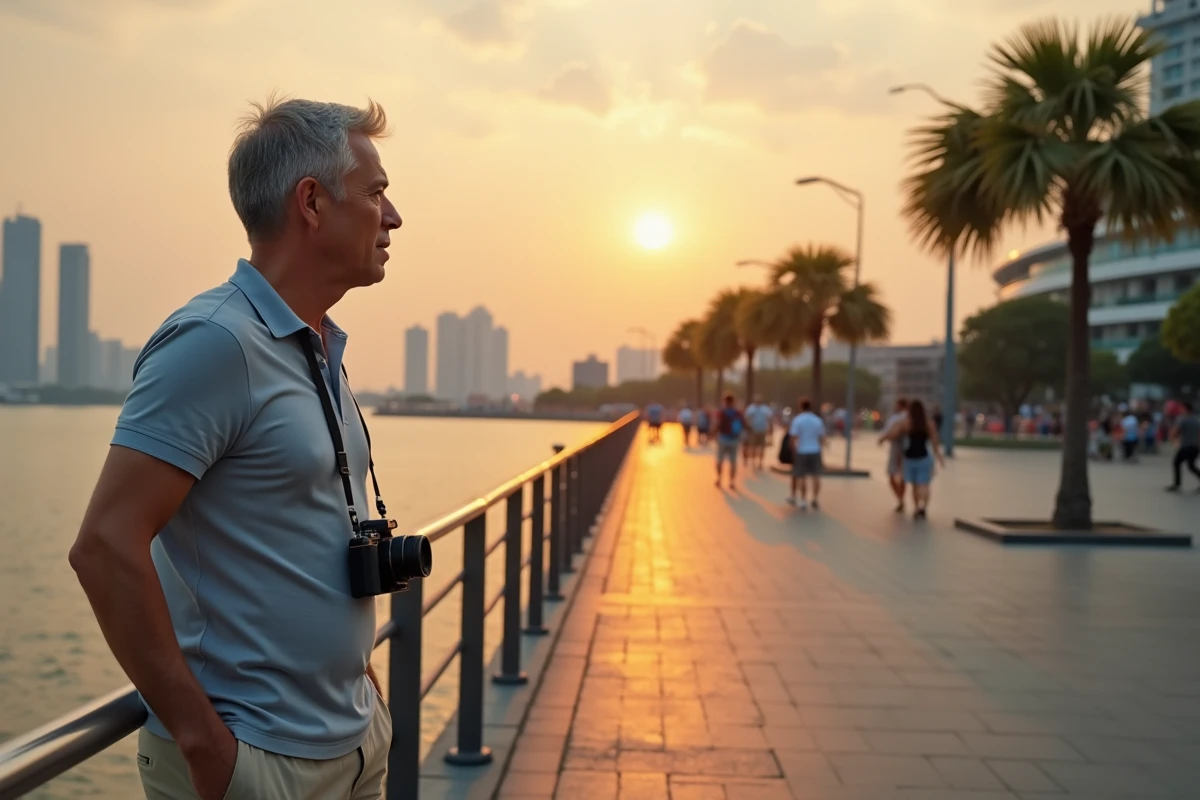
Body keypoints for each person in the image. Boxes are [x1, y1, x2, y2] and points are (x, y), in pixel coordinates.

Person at [68, 98, 401, 800]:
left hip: (354, 741)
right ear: (312, 202)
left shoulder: (315, 345)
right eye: (376, 193)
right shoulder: (214, 343)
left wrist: (363, 684)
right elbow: (104, 545)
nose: (393, 217)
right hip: (257, 759)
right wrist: (204, 743)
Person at [887, 399, 945, 520]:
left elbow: (893, 434)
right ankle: (923, 507)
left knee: (914, 485)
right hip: (924, 457)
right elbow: (935, 443)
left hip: (909, 458)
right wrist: (939, 457)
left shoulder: (906, 423)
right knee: (924, 484)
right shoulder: (929, 423)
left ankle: (917, 507)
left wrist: (885, 437)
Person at [787, 398, 825, 510]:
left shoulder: (798, 420)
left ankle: (803, 500)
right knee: (816, 476)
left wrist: (793, 448)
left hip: (802, 450)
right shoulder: (817, 420)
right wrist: (819, 448)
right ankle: (815, 499)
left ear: (801, 407)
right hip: (815, 450)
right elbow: (822, 437)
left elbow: (793, 437)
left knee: (802, 476)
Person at [878, 398, 909, 513]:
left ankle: (900, 500)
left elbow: (891, 432)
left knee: (893, 476)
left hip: (897, 449)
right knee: (902, 477)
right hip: (908, 450)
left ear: (901, 405)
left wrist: (883, 438)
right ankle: (901, 499)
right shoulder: (910, 417)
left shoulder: (898, 418)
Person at [1165, 401, 1200, 493]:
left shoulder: (1182, 419)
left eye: (1182, 408)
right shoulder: (1196, 420)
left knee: (1176, 463)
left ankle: (1177, 485)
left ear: (1185, 409)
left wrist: (1173, 439)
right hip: (1195, 447)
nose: (1180, 410)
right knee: (1191, 465)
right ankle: (1177, 484)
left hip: (1185, 446)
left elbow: (1175, 431)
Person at [714, 394, 745, 490]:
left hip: (723, 438)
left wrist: (712, 433)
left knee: (720, 460)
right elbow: (743, 424)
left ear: (725, 401)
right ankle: (732, 482)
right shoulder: (738, 413)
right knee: (733, 461)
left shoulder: (721, 412)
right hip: (734, 439)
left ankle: (719, 479)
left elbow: (717, 424)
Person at [743, 395, 773, 472]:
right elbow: (746, 418)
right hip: (753, 430)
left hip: (762, 430)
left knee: (762, 447)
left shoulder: (765, 409)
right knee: (753, 446)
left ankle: (760, 463)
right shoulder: (751, 408)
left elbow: (769, 419)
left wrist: (770, 429)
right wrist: (748, 426)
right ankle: (753, 462)